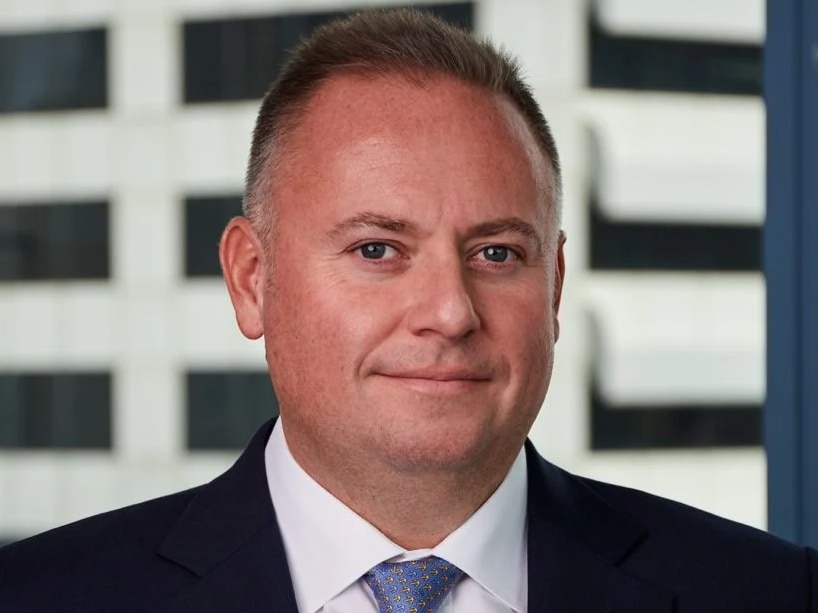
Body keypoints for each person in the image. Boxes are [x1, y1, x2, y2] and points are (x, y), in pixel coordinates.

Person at [0, 8, 815, 613]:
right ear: (253, 279)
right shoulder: (42, 596)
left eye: (497, 253)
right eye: (377, 250)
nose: (449, 312)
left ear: (555, 287)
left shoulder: (770, 594)